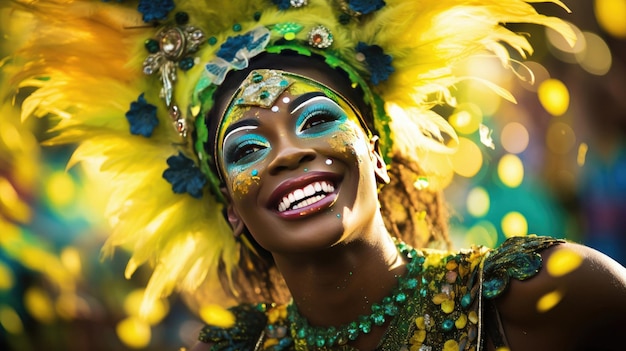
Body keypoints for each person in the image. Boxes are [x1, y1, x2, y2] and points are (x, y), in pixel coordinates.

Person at [2, 0, 625, 350]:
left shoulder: (545, 298)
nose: (287, 153)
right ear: (229, 209)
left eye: (316, 118)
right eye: (247, 149)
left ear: (376, 150)